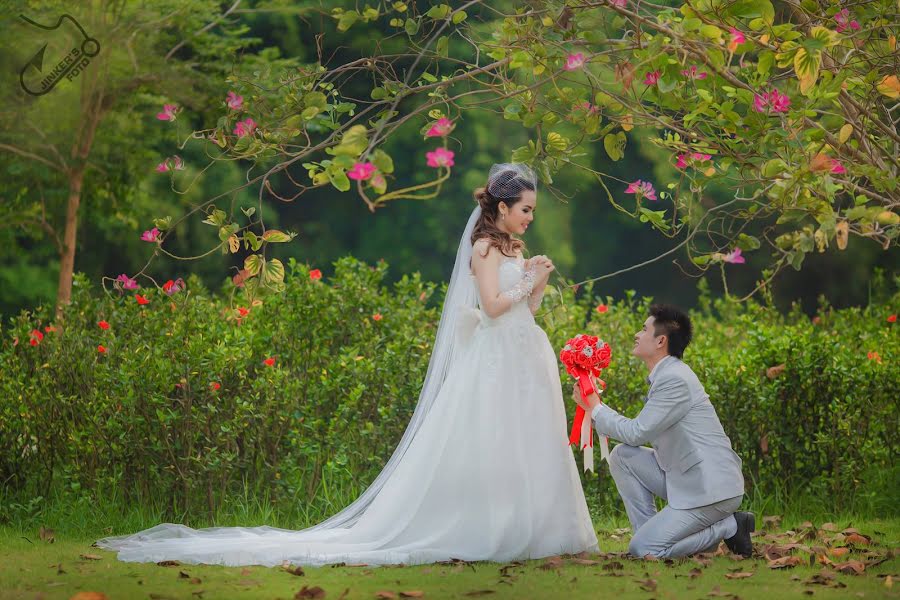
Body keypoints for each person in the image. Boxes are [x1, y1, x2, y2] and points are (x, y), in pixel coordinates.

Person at [98, 163, 599, 566]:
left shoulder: (513, 247)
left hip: (521, 355)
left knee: (526, 440)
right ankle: (491, 528)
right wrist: (520, 283)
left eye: (532, 210)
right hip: (494, 358)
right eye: (526, 209)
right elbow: (491, 306)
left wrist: (536, 279)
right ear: (504, 206)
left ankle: (538, 529)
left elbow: (524, 309)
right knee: (491, 441)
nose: (530, 218)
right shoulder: (486, 246)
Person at [572, 304, 754, 558]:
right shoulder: (667, 374)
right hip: (687, 479)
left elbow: (637, 432)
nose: (637, 334)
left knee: (642, 548)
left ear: (661, 341)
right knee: (623, 457)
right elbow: (635, 435)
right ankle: (651, 537)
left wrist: (596, 408)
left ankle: (729, 526)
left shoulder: (674, 380)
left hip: (711, 489)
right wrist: (595, 407)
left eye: (643, 329)